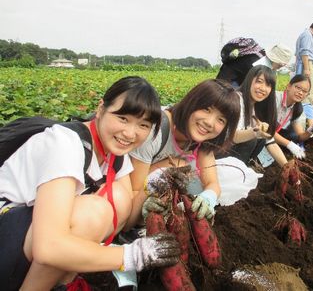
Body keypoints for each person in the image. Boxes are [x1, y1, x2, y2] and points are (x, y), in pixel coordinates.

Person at [0, 76, 181, 291]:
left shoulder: (116, 155)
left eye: (143, 125)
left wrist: (151, 187)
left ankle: (63, 283)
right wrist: (131, 255)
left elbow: (126, 219)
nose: (130, 133)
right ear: (101, 108)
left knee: (120, 199)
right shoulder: (65, 144)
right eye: (123, 118)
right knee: (92, 212)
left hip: (31, 240)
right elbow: (48, 248)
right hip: (9, 237)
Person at [128, 79, 242, 227]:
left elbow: (212, 183)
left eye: (221, 120)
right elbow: (133, 193)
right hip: (129, 198)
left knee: (193, 179)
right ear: (192, 102)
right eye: (206, 109)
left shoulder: (201, 140)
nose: (209, 122)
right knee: (181, 166)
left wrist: (208, 197)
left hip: (152, 193)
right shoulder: (156, 130)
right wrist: (143, 210)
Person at [227, 65, 288, 167]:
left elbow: (271, 142)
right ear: (249, 80)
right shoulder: (236, 100)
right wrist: (255, 133)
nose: (263, 88)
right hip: (219, 153)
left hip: (235, 156)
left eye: (268, 85)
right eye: (259, 81)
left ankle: (243, 168)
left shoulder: (257, 107)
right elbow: (232, 136)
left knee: (261, 139)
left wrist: (287, 167)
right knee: (252, 139)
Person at [273, 75, 313, 155]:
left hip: (273, 133)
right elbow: (266, 130)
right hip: (261, 131)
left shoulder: (298, 109)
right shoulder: (275, 98)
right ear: (288, 86)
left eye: (305, 91)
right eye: (298, 88)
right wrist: (290, 145)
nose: (300, 93)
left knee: (294, 136)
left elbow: (300, 136)